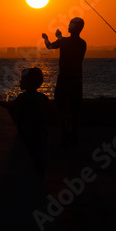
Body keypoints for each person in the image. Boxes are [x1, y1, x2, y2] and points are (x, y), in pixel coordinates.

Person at [43, 17, 86, 147]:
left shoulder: (65, 42)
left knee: (61, 108)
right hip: (77, 79)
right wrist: (60, 37)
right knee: (75, 110)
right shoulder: (82, 43)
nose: (68, 25)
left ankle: (65, 132)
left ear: (74, 27)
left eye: (71, 24)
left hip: (64, 79)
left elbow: (50, 46)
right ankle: (74, 135)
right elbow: (68, 44)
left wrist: (45, 37)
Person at [8, 67, 50, 175]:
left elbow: (11, 107)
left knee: (24, 160)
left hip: (25, 135)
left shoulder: (23, 97)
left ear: (29, 82)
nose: (20, 81)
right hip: (40, 135)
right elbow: (55, 113)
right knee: (39, 160)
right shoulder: (43, 97)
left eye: (23, 79)